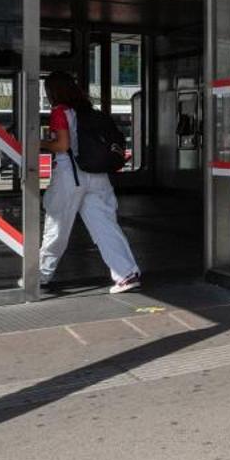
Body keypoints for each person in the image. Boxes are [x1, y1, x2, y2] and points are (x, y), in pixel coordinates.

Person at [39, 71, 142, 294]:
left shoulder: (60, 111)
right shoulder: (89, 111)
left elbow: (62, 145)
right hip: (98, 177)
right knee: (106, 226)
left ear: (53, 92)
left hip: (70, 176)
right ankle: (126, 274)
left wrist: (40, 143)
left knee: (56, 227)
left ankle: (40, 275)